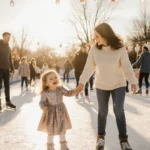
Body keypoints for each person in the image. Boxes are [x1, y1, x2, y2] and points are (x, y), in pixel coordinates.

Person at [76, 23, 137, 150]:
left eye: (97, 36)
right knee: (102, 112)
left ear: (105, 35)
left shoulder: (120, 48)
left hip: (118, 84)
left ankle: (124, 140)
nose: (95, 39)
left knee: (118, 109)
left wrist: (132, 81)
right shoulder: (94, 49)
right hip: (101, 85)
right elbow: (88, 67)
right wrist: (81, 82)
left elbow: (126, 66)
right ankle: (100, 138)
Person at [38, 70, 77, 150]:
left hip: (60, 112)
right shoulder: (45, 92)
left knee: (61, 129)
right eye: (51, 79)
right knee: (50, 130)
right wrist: (44, 107)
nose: (54, 79)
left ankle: (63, 145)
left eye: (55, 77)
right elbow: (41, 102)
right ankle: (50, 146)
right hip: (50, 113)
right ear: (46, 83)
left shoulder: (60, 89)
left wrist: (76, 91)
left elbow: (68, 93)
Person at [0, 32, 16, 112]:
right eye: (7, 37)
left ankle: (8, 102)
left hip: (6, 69)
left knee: (7, 86)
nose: (9, 38)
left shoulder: (9, 47)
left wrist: (12, 69)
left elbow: (10, 59)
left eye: (9, 37)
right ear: (3, 37)